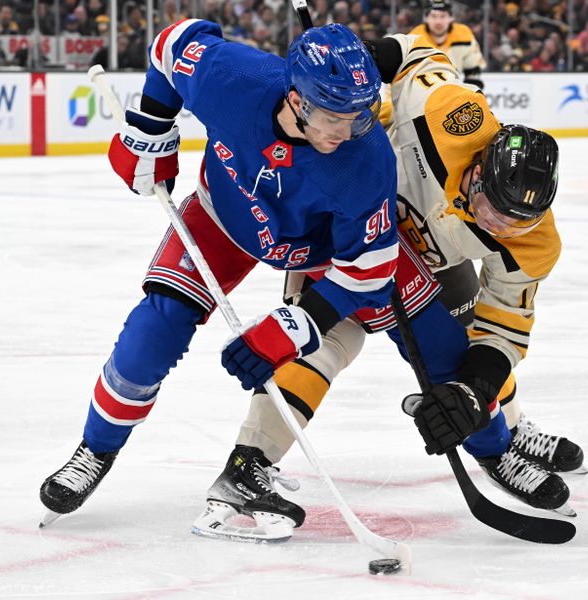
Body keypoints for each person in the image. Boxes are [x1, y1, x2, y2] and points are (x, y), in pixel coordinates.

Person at [196, 33, 580, 543]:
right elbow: (412, 50)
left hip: (430, 265)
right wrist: (350, 77)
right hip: (344, 224)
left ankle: (501, 439)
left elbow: (504, 331)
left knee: (463, 351)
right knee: (324, 342)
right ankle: (248, 464)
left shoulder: (534, 244)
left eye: (513, 221)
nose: (496, 224)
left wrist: (472, 392)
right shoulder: (450, 112)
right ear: (481, 166)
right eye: (490, 206)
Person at [38, 21, 403, 525]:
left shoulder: (367, 159)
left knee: (410, 325)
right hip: (223, 216)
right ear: (296, 99)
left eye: (359, 116)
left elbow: (369, 269)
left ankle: (495, 437)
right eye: (332, 117)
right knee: (158, 323)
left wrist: (296, 326)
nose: (346, 133)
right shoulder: (234, 76)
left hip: (314, 248)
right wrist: (150, 127)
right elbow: (170, 46)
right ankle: (96, 450)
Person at [409, 0, 485, 88]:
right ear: (425, 18)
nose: (438, 21)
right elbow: (403, 75)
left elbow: (473, 74)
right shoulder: (414, 38)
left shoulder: (464, 35)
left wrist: (469, 96)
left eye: (443, 16)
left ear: (451, 18)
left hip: (452, 91)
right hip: (421, 92)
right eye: (434, 16)